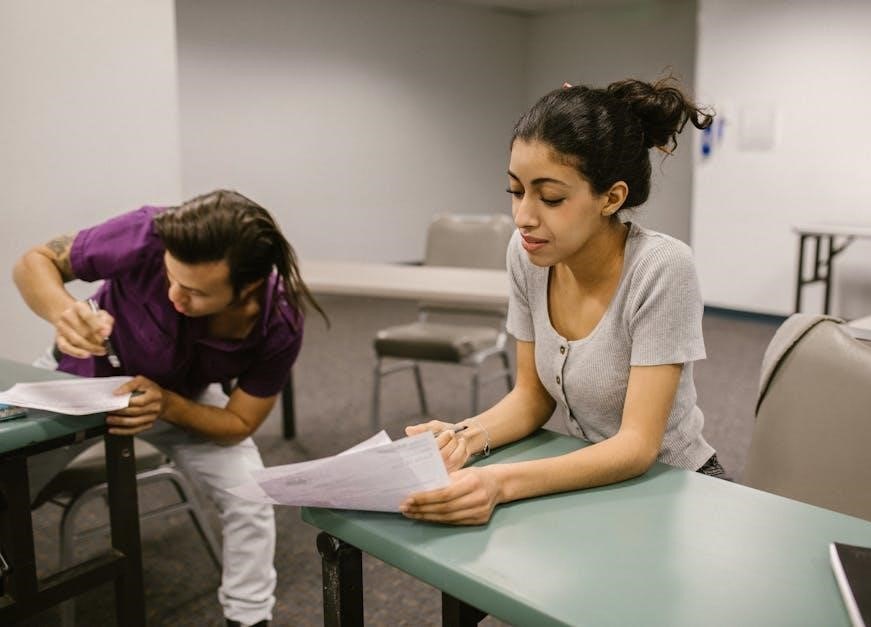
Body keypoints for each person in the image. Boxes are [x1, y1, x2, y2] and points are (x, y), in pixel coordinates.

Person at [401, 77, 724, 526]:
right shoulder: (528, 254)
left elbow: (637, 446)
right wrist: (462, 438)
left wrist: (499, 483)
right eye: (516, 191)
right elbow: (531, 396)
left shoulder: (661, 268)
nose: (523, 217)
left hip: (677, 485)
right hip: (598, 482)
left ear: (611, 198)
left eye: (550, 198)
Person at [13, 189, 325, 627]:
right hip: (77, 380)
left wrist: (169, 405)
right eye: (170, 277)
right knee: (8, 484)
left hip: (177, 399)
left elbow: (239, 422)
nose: (175, 295)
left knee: (251, 495)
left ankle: (249, 618)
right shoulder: (146, 233)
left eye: (195, 292)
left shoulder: (279, 323)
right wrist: (64, 312)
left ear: (248, 287)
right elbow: (34, 263)